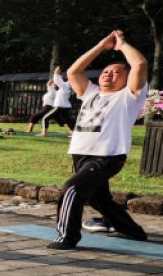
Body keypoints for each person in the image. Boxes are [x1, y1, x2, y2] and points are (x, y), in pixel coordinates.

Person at [52, 31, 149, 249]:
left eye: (116, 72)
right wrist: (101, 46)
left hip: (108, 155)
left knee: (72, 189)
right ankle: (133, 231)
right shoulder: (90, 92)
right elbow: (74, 71)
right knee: (99, 199)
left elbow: (140, 64)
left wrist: (121, 45)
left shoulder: (129, 96)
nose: (108, 75)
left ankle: (66, 237)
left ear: (127, 78)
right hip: (81, 153)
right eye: (106, 71)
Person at [40, 66, 75, 136]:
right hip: (67, 107)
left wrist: (58, 69)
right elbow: (70, 80)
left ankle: (44, 133)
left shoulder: (63, 85)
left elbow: (56, 75)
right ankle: (74, 133)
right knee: (68, 121)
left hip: (59, 106)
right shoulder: (68, 85)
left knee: (45, 118)